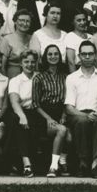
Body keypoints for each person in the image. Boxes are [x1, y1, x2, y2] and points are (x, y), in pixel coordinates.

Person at [64, 40, 97, 177]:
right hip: (78, 114)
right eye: (84, 54)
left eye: (90, 54)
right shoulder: (72, 78)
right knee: (82, 122)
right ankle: (83, 163)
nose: (87, 57)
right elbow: (69, 107)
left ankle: (96, 163)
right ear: (79, 56)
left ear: (95, 56)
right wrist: (84, 115)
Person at [32, 45, 70, 176]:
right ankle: (53, 167)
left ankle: (62, 162)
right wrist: (48, 119)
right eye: (50, 54)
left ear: (59, 57)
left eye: (56, 54)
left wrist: (64, 115)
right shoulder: (39, 78)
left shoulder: (66, 77)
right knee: (62, 130)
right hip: (43, 116)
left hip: (61, 113)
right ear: (45, 57)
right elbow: (35, 104)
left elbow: (68, 99)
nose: (53, 57)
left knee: (69, 137)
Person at [8, 50, 42, 177]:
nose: (30, 64)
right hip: (20, 111)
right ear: (20, 64)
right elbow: (14, 101)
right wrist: (22, 116)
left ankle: (22, 162)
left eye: (33, 62)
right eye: (26, 62)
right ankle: (26, 162)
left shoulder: (40, 77)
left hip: (37, 111)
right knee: (18, 123)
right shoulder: (15, 80)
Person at [2, 9, 37, 78]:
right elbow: (2, 66)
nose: (24, 23)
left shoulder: (33, 38)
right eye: (21, 20)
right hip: (12, 78)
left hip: (31, 79)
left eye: (27, 21)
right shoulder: (7, 39)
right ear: (15, 21)